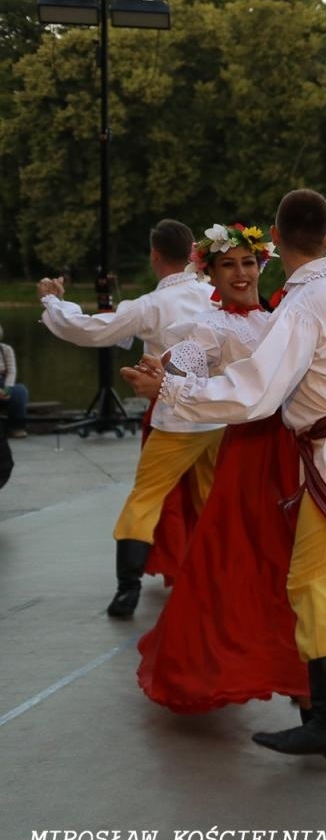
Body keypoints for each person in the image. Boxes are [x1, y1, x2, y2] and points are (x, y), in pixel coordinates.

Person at [124, 190, 326, 763]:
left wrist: (168, 389)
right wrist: (174, 369)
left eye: (248, 260)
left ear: (274, 245)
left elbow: (259, 393)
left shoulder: (303, 305)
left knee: (310, 584)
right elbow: (220, 357)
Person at [128, 222, 310, 714]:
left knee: (296, 560)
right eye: (228, 264)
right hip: (250, 452)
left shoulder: (278, 314)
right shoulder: (214, 325)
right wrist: (166, 370)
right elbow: (190, 355)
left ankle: (312, 668)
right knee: (239, 559)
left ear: (261, 266)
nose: (240, 272)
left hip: (291, 448)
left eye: (248, 263)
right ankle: (227, 666)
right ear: (210, 272)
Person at [38, 220, 222, 618]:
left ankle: (128, 589)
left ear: (155, 255)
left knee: (146, 498)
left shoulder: (154, 306)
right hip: (222, 415)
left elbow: (87, 329)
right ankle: (220, 580)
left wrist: (54, 302)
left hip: (178, 418)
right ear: (193, 252)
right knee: (211, 500)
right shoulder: (216, 294)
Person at [0, 324, 29, 438]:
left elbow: (11, 372)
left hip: (4, 382)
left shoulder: (6, 349)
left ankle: (16, 427)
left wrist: (7, 389)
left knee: (20, 391)